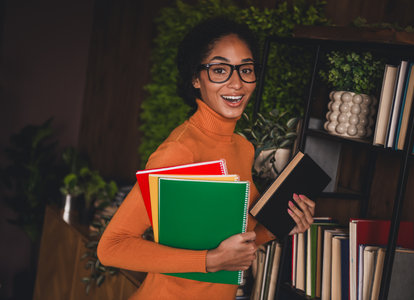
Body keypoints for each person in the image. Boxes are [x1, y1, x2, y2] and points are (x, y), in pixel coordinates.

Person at [97, 17, 315, 300]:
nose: (236, 83)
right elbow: (111, 247)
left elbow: (238, 244)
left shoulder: (242, 147)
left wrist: (283, 224)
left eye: (246, 70)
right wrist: (210, 261)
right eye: (220, 70)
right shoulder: (179, 152)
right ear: (195, 78)